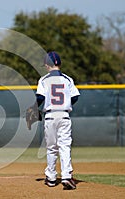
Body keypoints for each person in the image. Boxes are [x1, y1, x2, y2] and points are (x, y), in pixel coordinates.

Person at [36, 51, 80, 190]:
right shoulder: (68, 79)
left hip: (50, 116)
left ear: (47, 65)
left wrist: (33, 108)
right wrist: (65, 103)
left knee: (51, 148)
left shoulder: (43, 80)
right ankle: (66, 176)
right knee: (65, 146)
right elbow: (75, 97)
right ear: (59, 64)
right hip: (64, 115)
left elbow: (40, 98)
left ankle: (51, 177)